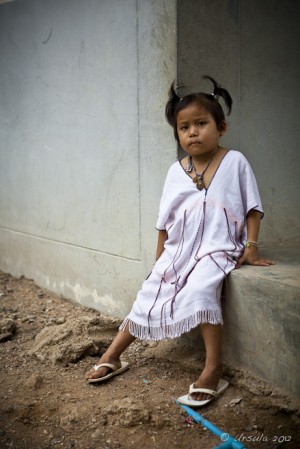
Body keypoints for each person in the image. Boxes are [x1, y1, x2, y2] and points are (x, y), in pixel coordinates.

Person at [85, 75, 274, 407]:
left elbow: (253, 209)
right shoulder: (176, 171)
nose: (192, 132)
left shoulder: (235, 162)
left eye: (201, 123)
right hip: (179, 250)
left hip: (218, 248)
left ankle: (213, 369)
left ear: (222, 127)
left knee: (202, 289)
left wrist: (252, 248)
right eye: (184, 127)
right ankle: (113, 355)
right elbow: (164, 224)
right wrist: (158, 263)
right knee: (151, 290)